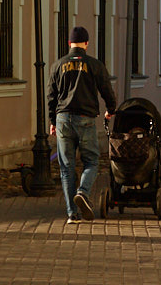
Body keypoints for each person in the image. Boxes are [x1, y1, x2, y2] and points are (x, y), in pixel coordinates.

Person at [47, 25, 117, 224]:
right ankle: (83, 192)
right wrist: (111, 110)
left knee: (66, 168)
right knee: (92, 161)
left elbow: (51, 96)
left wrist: (52, 121)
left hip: (62, 119)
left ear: (69, 44)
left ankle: (72, 214)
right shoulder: (94, 65)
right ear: (86, 43)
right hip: (85, 119)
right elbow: (106, 90)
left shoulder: (57, 65)